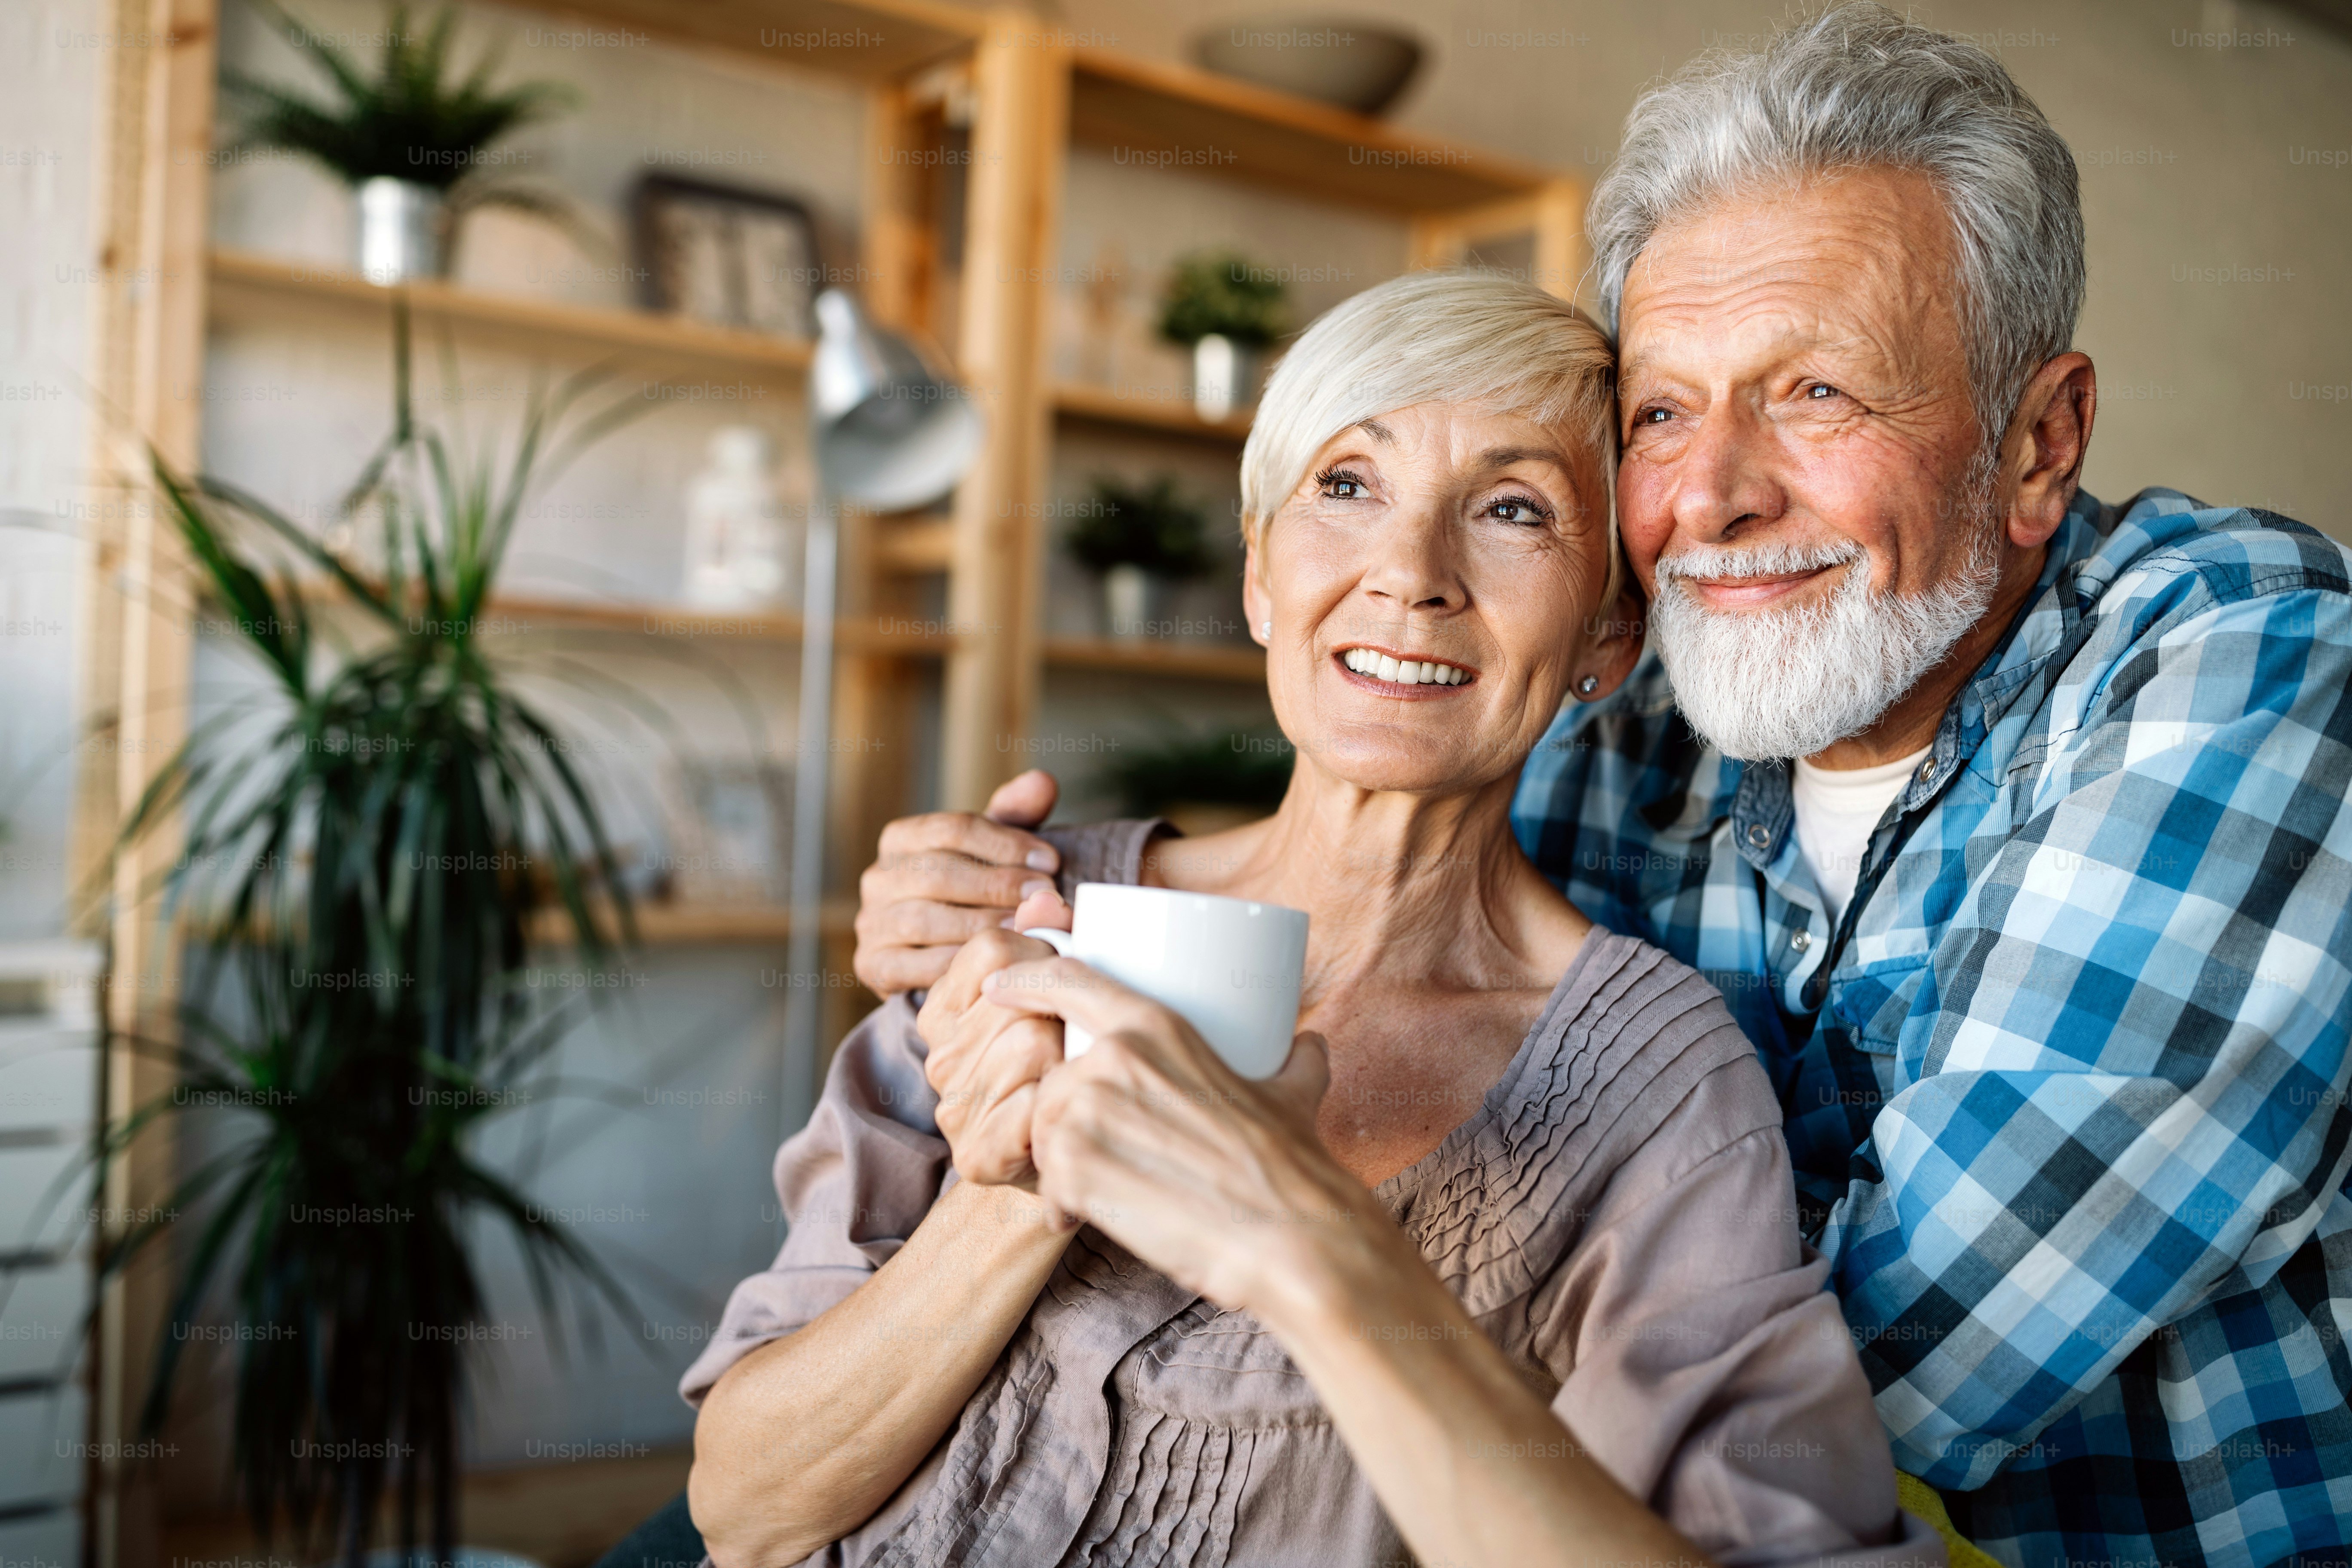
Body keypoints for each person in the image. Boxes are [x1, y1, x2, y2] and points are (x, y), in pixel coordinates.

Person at [845, 10, 2352, 1568]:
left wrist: (1308, 1257)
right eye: (1660, 413)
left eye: (1818, 394)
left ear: (2042, 443)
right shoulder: (1634, 699)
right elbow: (1392, 939)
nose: (1711, 499)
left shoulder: (2255, 657)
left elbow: (1888, 1383)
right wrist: (994, 914)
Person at [681, 271, 1941, 1568]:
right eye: (1347, 486)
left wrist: (1301, 1234)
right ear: (1261, 579)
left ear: (1608, 638)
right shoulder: (1024, 908)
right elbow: (744, 1505)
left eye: (1512, 511)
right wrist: (1010, 1199)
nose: (1409, 574)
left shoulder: (1656, 1081)